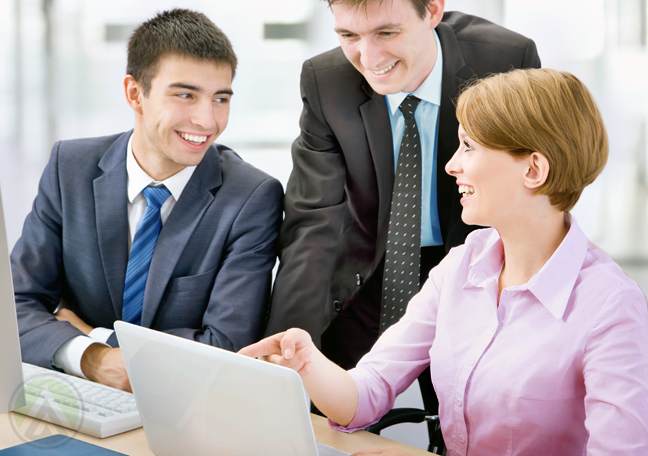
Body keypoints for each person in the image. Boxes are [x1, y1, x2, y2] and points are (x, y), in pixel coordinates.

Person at [242, 68, 648, 455]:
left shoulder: (611, 308)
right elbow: (366, 393)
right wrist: (307, 363)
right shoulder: (463, 264)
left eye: (469, 147)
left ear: (534, 169)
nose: (452, 164)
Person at [12, 9, 283, 392]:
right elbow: (15, 307)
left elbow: (226, 347)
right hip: (73, 394)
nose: (207, 121)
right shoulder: (69, 167)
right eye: (185, 95)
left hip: (184, 409)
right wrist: (91, 359)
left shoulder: (251, 197)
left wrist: (97, 341)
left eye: (220, 98)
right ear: (135, 94)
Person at [267, 0, 540, 372]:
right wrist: (284, 348)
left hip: (474, 264)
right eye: (349, 35)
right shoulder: (326, 81)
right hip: (368, 266)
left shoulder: (505, 62)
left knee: (464, 418)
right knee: (325, 408)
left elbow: (529, 200)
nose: (368, 56)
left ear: (432, 11)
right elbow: (313, 222)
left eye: (387, 32)